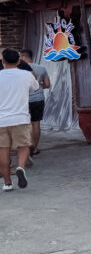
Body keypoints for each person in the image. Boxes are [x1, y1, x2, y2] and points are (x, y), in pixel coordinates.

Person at [0, 48, 38, 190]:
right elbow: (36, 87)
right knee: (24, 145)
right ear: (19, 60)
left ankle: (7, 183)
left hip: (1, 119)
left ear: (3, 61)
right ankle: (20, 167)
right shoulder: (26, 75)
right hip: (20, 118)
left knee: (3, 151)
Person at [19, 49, 50, 156]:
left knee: (26, 124)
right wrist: (39, 86)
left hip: (24, 100)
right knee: (36, 123)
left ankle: (27, 147)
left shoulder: (19, 69)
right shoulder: (41, 68)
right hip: (38, 99)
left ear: (23, 57)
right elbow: (47, 84)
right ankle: (35, 148)